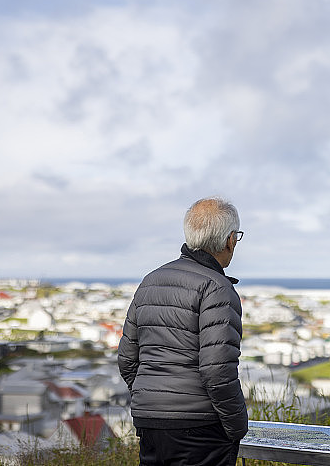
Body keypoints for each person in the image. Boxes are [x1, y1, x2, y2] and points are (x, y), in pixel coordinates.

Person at [118, 197, 248, 466]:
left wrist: (153, 399)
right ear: (229, 240)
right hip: (200, 427)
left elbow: (127, 359)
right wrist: (236, 427)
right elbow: (217, 370)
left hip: (150, 422)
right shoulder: (217, 288)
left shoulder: (150, 281)